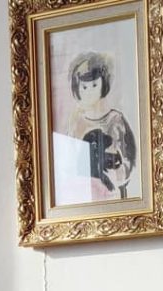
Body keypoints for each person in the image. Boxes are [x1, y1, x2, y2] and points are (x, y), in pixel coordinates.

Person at [64, 52, 137, 199]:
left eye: (94, 85)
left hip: (112, 194)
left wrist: (115, 175)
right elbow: (69, 160)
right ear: (77, 88)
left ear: (104, 84)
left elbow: (129, 159)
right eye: (84, 87)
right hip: (83, 195)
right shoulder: (75, 121)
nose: (89, 92)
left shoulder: (115, 120)